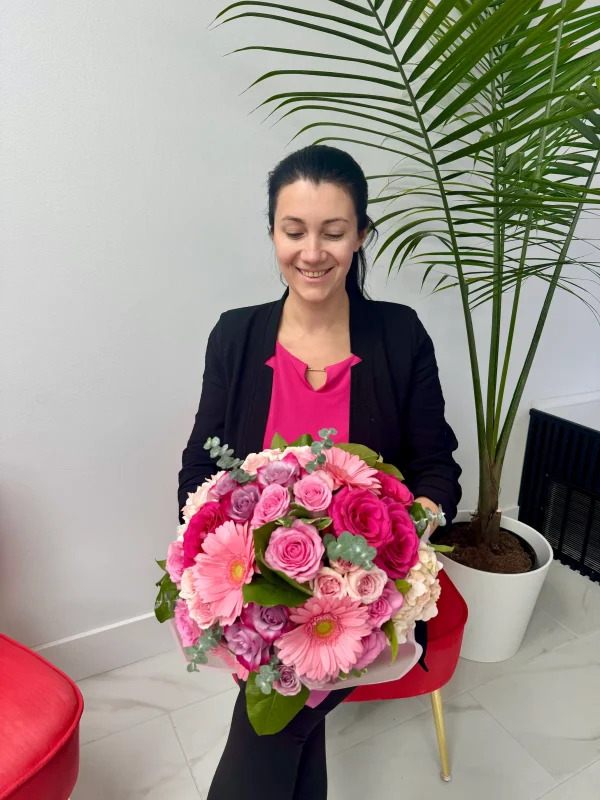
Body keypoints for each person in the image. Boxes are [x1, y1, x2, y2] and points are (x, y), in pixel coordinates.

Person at [178, 144, 462, 799]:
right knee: (290, 726)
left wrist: (400, 548)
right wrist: (216, 570)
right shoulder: (236, 337)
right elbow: (200, 467)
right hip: (257, 600)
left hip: (367, 599)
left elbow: (435, 465)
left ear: (362, 235)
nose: (312, 252)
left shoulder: (400, 335)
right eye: (294, 230)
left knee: (273, 724)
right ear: (272, 232)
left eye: (334, 232)